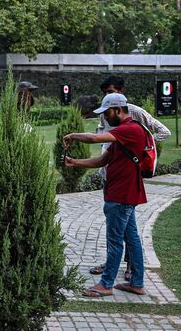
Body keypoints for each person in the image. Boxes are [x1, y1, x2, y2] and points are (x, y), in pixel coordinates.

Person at [64, 93, 147, 298]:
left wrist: (73, 135)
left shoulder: (131, 129)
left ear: (118, 110)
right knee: (131, 238)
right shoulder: (121, 133)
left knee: (115, 240)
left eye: (107, 113)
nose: (105, 118)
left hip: (120, 196)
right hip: (124, 193)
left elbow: (93, 138)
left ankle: (106, 284)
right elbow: (102, 160)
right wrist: (76, 162)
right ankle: (137, 283)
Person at [91, 76, 170, 280]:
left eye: (111, 92)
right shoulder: (107, 112)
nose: (108, 96)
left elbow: (164, 131)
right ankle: (126, 270)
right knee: (123, 227)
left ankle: (124, 271)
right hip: (109, 171)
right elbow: (102, 137)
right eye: (106, 93)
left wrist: (142, 145)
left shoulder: (133, 113)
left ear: (121, 93)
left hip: (126, 175)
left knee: (121, 230)